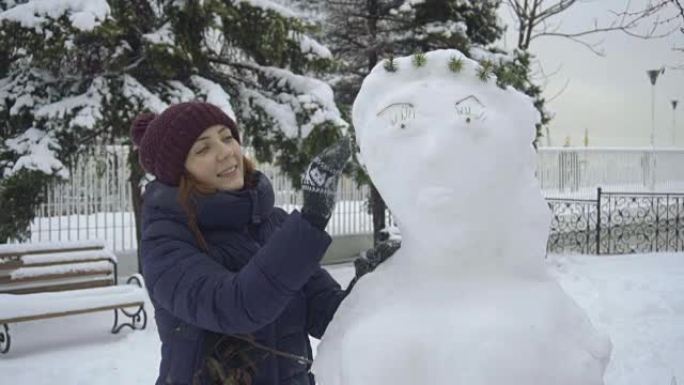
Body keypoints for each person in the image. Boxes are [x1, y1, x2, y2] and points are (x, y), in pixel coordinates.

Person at [131, 101, 363, 385]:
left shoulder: (274, 224)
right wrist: (312, 218)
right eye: (203, 149)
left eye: (227, 137)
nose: (226, 152)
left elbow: (328, 316)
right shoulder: (165, 243)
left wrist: (370, 282)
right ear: (180, 173)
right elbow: (236, 307)